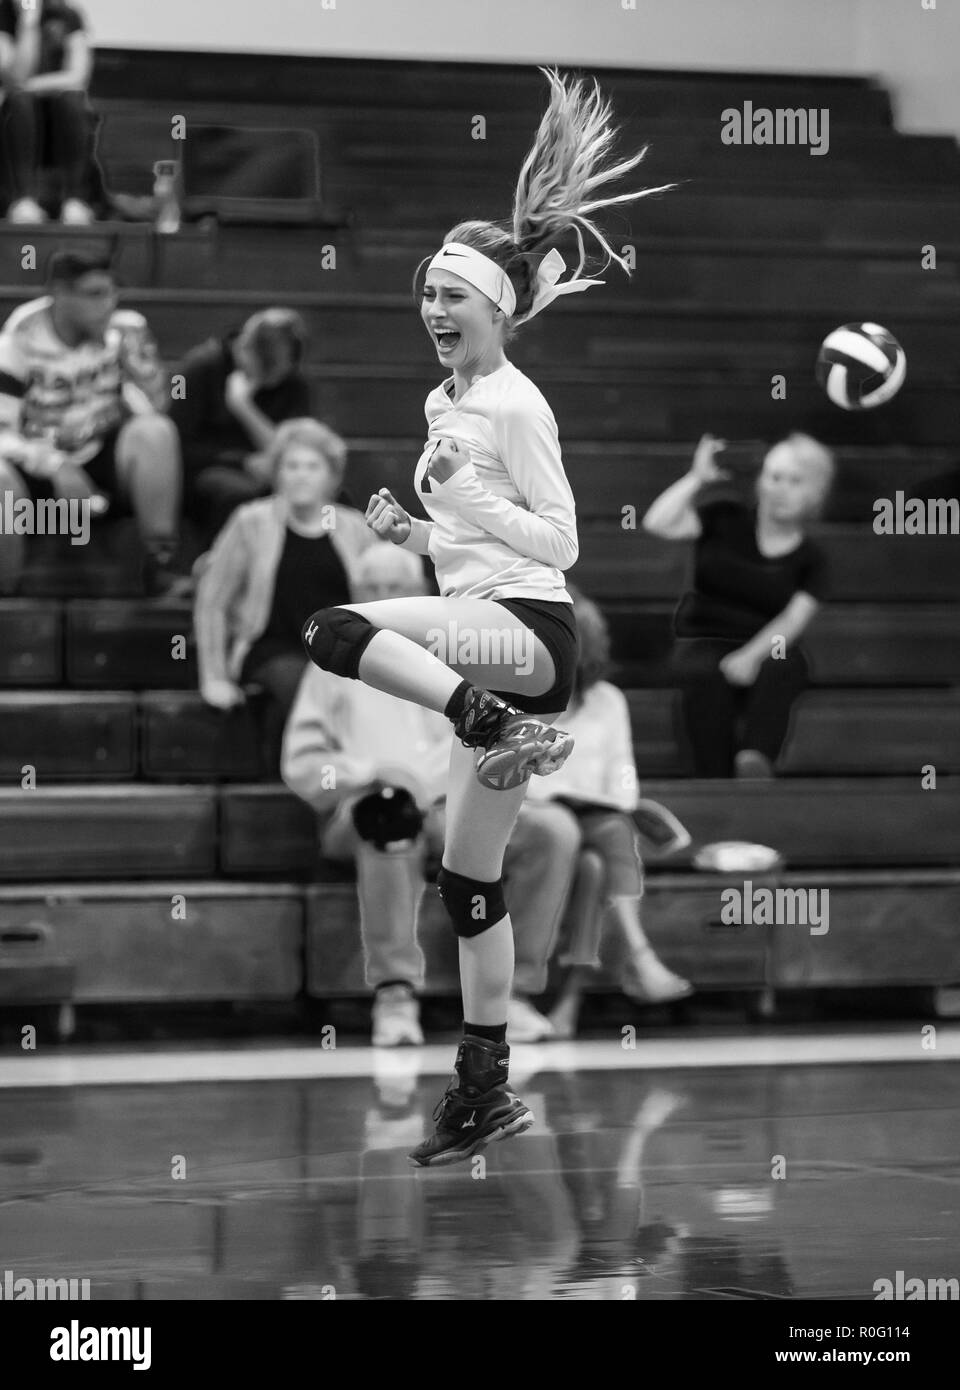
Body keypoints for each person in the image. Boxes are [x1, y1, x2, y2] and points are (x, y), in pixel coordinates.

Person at [299, 67, 673, 1167]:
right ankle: (483, 1084)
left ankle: (485, 716)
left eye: (450, 297)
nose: (432, 309)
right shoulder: (444, 402)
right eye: (425, 296)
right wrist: (416, 531)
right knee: (467, 883)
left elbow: (559, 544)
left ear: (496, 309)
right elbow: (467, 549)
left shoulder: (518, 402)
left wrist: (462, 503)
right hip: (484, 623)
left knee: (335, 628)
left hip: (528, 641)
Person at [282, 543, 582, 1047]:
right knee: (388, 816)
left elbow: (501, 737)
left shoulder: (466, 648)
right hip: (370, 805)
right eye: (370, 590)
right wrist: (370, 772)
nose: (381, 596)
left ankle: (516, 994)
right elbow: (303, 764)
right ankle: (395, 994)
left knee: (555, 831)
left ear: (417, 593)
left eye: (393, 588)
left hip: (451, 804)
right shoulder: (330, 665)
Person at [517, 587, 692, 1039]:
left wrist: (618, 801)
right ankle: (637, 959)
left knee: (603, 849)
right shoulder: (516, 696)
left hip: (595, 817)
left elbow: (624, 773)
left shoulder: (609, 700)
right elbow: (515, 774)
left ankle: (576, 1000)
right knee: (598, 855)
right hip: (537, 815)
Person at [643, 432, 833, 778]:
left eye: (795, 481)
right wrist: (696, 479)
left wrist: (751, 657)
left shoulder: (813, 559)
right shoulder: (724, 517)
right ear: (761, 481)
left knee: (786, 665)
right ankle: (714, 780)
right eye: (774, 477)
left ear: (814, 493)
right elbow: (658, 522)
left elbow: (793, 620)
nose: (781, 489)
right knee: (704, 674)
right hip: (704, 640)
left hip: (767, 645)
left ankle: (755, 761)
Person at [194, 416, 375, 771]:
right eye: (291, 466)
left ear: (332, 475)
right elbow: (212, 604)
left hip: (336, 653)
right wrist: (213, 677)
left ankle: (357, 783)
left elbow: (376, 602)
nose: (301, 475)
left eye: (312, 466)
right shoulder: (251, 522)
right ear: (277, 473)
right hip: (270, 650)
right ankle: (325, 778)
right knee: (302, 684)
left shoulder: (354, 527)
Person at [0, 248, 184, 595]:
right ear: (60, 294)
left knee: (155, 433)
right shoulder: (17, 342)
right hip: (36, 470)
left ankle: (160, 567)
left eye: (114, 292)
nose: (109, 303)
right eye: (96, 294)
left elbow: (157, 409)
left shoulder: (124, 330)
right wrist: (56, 466)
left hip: (98, 455)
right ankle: (8, 600)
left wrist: (143, 373)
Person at [170, 308, 311, 545]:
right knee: (240, 494)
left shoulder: (292, 381)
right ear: (245, 348)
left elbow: (295, 449)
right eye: (268, 372)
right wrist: (243, 462)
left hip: (271, 470)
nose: (274, 380)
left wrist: (244, 407)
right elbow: (177, 446)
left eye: (281, 372)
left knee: (321, 489)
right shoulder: (199, 368)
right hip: (206, 472)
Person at [0, 0, 96, 224]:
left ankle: (75, 201)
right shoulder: (3, 15)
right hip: (15, 117)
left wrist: (30, 86)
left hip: (58, 113)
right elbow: (16, 73)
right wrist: (28, 23)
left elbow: (77, 77)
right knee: (19, 102)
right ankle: (22, 200)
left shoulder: (67, 15)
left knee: (73, 100)